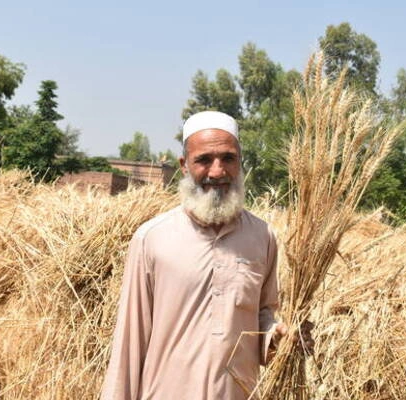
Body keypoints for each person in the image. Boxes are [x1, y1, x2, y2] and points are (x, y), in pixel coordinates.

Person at [100, 111, 311, 400]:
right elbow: (129, 342)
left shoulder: (262, 237)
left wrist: (277, 338)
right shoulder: (152, 239)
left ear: (239, 162)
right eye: (204, 160)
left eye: (228, 158)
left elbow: (262, 315)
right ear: (184, 165)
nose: (217, 171)